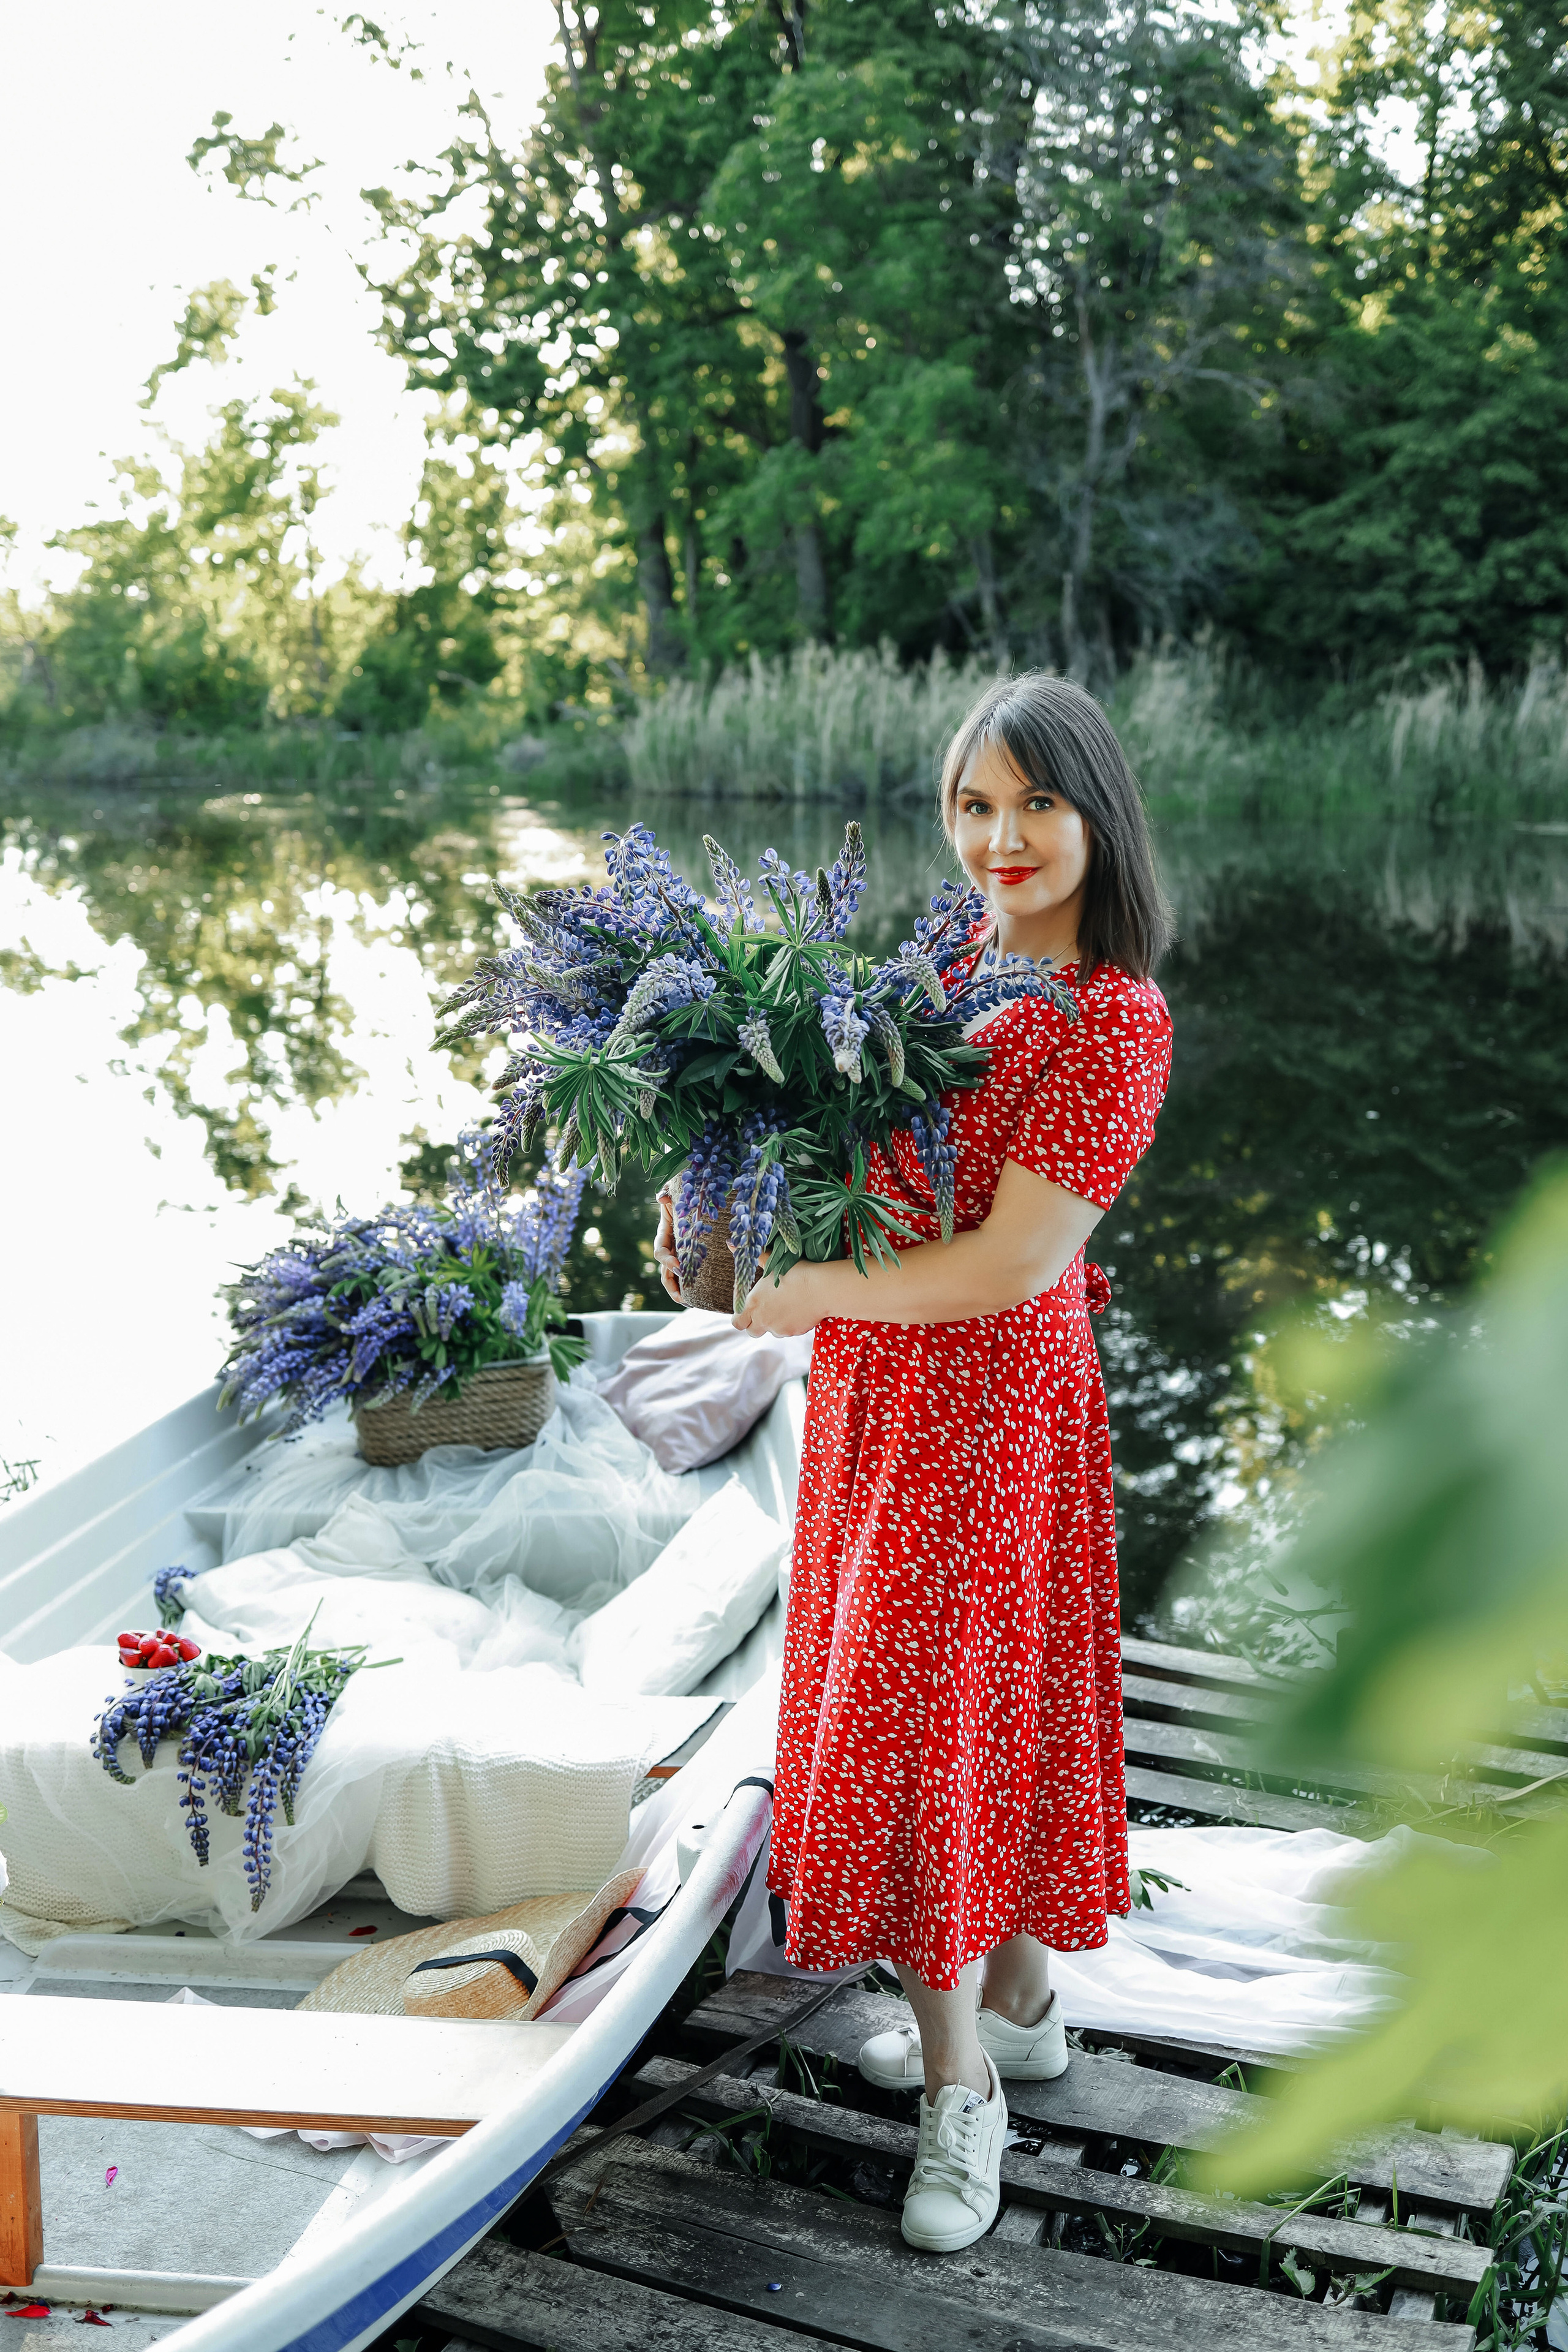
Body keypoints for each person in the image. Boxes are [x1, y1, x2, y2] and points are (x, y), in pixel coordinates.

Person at [652, 672, 1174, 2254]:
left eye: (1034, 805)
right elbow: (847, 1168)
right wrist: (725, 1217)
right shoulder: (939, 961)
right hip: (882, 1388)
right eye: (973, 805)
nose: (999, 838)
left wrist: (805, 1295)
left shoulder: (1114, 1020)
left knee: (936, 1708)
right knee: (962, 1697)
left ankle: (964, 2094)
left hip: (995, 1408)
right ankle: (1013, 1997)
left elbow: (1013, 1265)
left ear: (1098, 817)